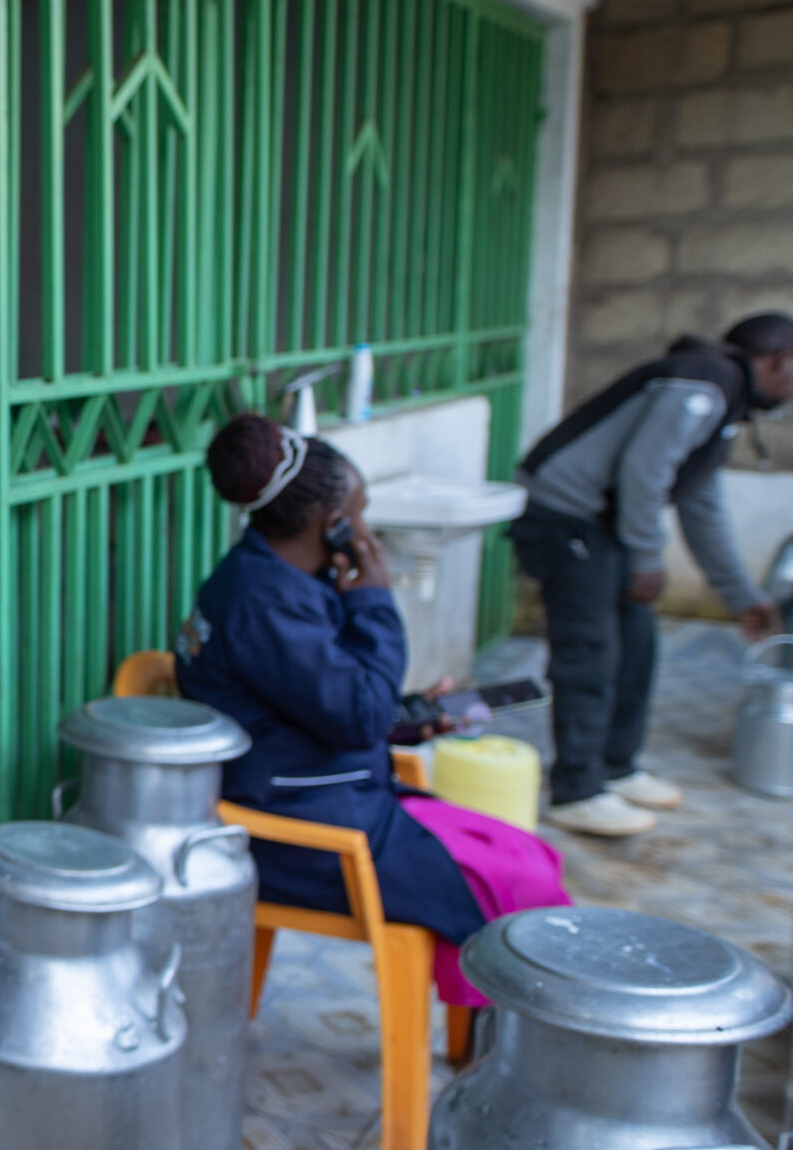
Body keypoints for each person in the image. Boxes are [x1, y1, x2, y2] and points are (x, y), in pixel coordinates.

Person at [176, 414, 569, 1009]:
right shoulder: (266, 604)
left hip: (329, 792)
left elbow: (324, 703)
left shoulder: (277, 581)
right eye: (359, 515)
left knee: (527, 854)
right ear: (332, 526)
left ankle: (494, 1029)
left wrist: (406, 716)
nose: (365, 529)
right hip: (306, 834)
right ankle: (506, 1041)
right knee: (517, 881)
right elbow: (354, 714)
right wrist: (375, 601)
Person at [511, 313, 793, 837]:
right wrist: (647, 558)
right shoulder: (704, 382)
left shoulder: (724, 398)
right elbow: (643, 471)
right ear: (781, 359)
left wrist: (741, 594)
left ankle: (616, 767)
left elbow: (701, 504)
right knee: (590, 652)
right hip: (566, 515)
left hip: (608, 523)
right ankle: (576, 790)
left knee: (638, 642)